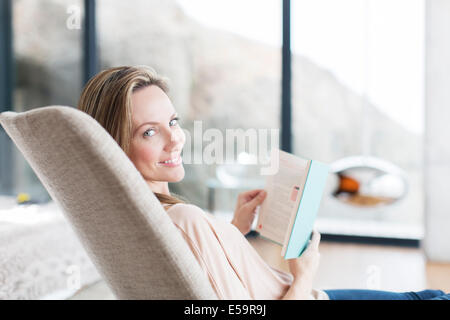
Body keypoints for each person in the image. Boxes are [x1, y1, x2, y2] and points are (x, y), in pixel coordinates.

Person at [77, 65, 449, 300]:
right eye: (149, 132)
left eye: (173, 122)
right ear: (114, 146)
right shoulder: (182, 221)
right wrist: (302, 274)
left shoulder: (146, 221)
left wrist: (233, 232)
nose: (175, 140)